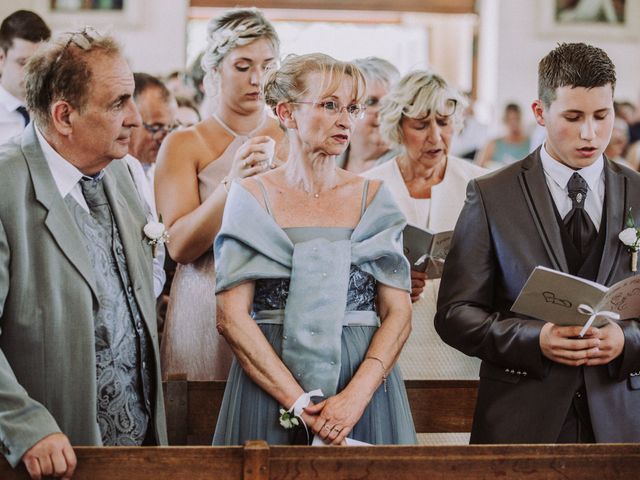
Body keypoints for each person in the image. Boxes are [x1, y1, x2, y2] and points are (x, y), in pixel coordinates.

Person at [435, 42, 640, 444]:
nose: (590, 133)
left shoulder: (639, 191)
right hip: (520, 417)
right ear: (540, 113)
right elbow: (455, 314)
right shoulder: (492, 194)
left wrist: (626, 339)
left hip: (623, 421)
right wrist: (536, 339)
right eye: (573, 116)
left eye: (602, 116)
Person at [213, 52, 416, 446]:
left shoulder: (373, 198)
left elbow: (399, 313)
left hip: (361, 383)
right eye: (329, 105)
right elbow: (231, 317)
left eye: (352, 108)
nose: (346, 120)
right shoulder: (252, 197)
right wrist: (298, 403)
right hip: (271, 384)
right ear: (287, 113)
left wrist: (356, 398)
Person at [0, 28, 167, 479]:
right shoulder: (5, 186)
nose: (134, 118)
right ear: (64, 115)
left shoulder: (124, 172)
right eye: (118, 103)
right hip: (54, 451)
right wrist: (24, 424)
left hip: (139, 447)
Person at [155, 8, 285, 381]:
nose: (257, 79)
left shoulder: (292, 137)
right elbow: (179, 247)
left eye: (267, 65)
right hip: (206, 297)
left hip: (279, 303)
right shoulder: (183, 144)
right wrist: (233, 182)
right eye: (242, 66)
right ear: (215, 70)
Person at [363, 71, 486, 383]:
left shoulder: (481, 184)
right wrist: (383, 285)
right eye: (421, 125)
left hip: (460, 342)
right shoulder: (369, 187)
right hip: (388, 339)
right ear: (399, 127)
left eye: (444, 123)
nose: (435, 137)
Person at [125, 72, 178, 299]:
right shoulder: (114, 173)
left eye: (170, 128)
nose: (164, 138)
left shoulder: (167, 171)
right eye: (155, 127)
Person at [336, 56, 399, 173]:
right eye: (371, 102)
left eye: (391, 102)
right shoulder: (329, 158)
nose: (384, 111)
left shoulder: (407, 164)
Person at [0, 10, 50, 144]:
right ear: (1, 58)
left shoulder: (55, 110)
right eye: (22, 63)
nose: (31, 73)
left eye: (39, 63)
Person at [476, 103, 531, 169]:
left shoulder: (531, 143)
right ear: (504, 121)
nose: (514, 124)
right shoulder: (493, 144)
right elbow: (477, 168)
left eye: (517, 119)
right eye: (510, 120)